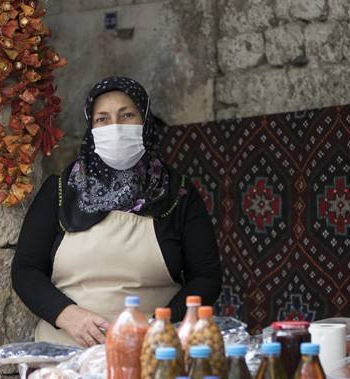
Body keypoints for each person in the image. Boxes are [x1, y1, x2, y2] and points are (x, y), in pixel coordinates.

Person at [12, 76, 222, 347]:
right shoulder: (59, 190)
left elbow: (206, 277)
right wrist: (67, 315)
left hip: (155, 351)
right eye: (103, 119)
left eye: (127, 115)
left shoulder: (176, 193)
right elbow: (26, 270)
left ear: (145, 121)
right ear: (91, 127)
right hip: (64, 354)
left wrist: (161, 323)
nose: (116, 127)